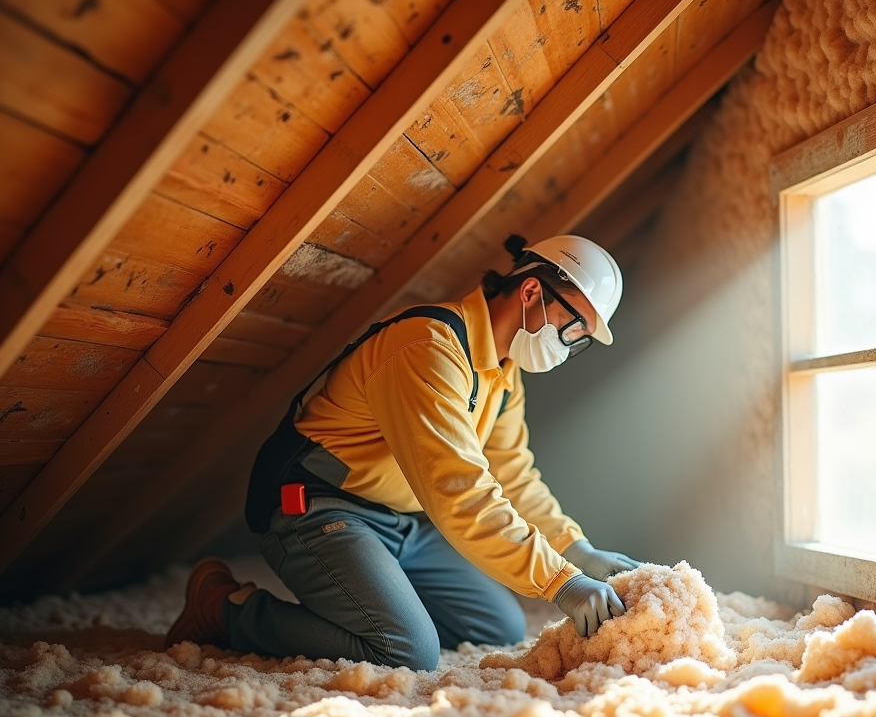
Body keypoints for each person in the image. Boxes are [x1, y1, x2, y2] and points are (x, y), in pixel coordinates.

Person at [166, 234, 638, 671]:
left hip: (402, 521)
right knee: (406, 650)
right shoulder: (428, 347)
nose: (571, 343)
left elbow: (512, 474)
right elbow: (459, 493)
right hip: (319, 506)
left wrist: (576, 549)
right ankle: (226, 610)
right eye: (574, 326)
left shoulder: (503, 370)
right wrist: (561, 581)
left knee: (498, 627)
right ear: (532, 292)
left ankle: (373, 600)